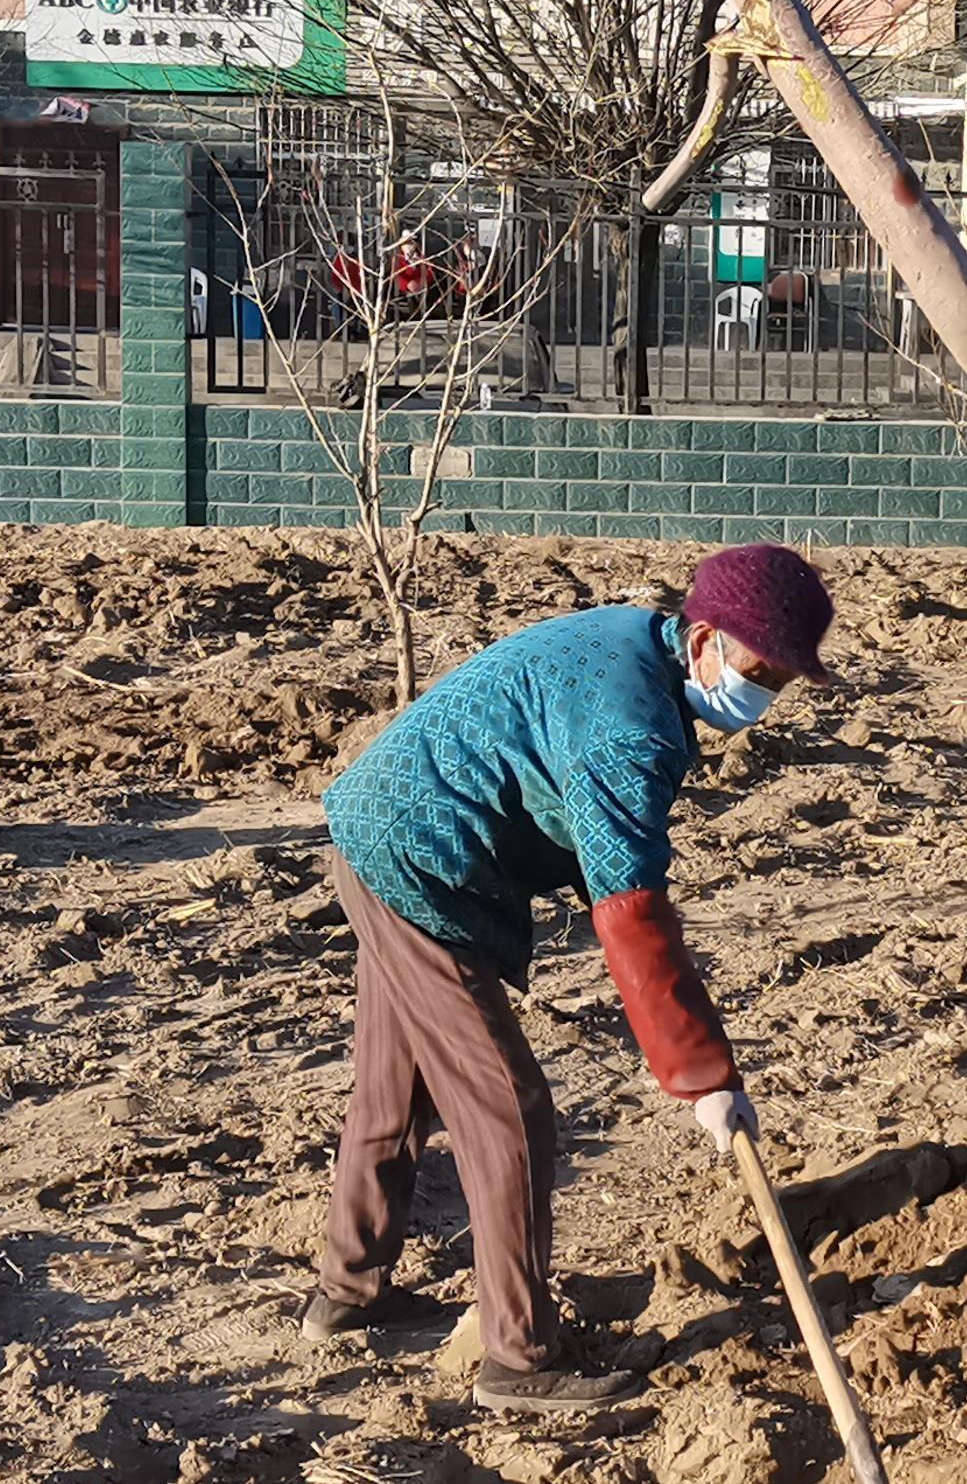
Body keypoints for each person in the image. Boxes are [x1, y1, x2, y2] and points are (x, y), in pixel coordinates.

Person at [306, 544, 832, 1412]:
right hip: (420, 864)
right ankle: (517, 1356)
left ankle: (347, 1295)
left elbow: (606, 861)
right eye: (759, 669)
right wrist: (702, 1078)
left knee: (391, 1094)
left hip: (381, 832)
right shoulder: (633, 727)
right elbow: (631, 914)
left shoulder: (633, 642)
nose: (764, 696)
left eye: (780, 679)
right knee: (509, 1109)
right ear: (704, 641)